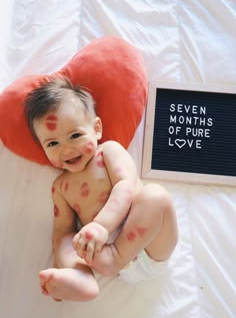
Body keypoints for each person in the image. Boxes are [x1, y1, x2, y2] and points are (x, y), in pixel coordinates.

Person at [24, 77, 178, 302]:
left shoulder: (108, 152)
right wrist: (61, 267)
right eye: (52, 144)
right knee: (64, 239)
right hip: (100, 254)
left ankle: (116, 256)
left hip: (148, 247)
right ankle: (80, 278)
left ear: (96, 129)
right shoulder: (60, 187)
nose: (66, 149)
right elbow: (62, 231)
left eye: (75, 136)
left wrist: (101, 226)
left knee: (156, 196)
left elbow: (126, 185)